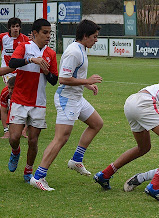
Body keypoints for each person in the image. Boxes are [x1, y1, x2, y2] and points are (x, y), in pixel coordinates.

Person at [30, 20, 103, 191]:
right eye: (94, 37)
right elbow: (62, 79)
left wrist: (87, 85)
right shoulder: (73, 52)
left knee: (96, 123)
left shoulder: (82, 49)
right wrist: (87, 80)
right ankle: (38, 176)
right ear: (85, 36)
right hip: (67, 100)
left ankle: (76, 160)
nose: (96, 40)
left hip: (77, 98)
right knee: (61, 138)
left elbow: (74, 75)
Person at [7, 18, 58, 184]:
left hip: (38, 102)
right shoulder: (24, 47)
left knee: (33, 139)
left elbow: (53, 80)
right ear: (35, 33)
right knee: (14, 137)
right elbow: (13, 63)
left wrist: (46, 72)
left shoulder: (50, 53)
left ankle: (28, 170)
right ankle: (15, 151)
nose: (48, 36)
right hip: (20, 99)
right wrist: (31, 60)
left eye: (49, 32)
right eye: (45, 32)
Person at [0, 17, 30, 84]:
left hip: (20, 70)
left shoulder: (25, 39)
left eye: (17, 26)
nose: (15, 28)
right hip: (7, 70)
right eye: (13, 26)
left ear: (20, 28)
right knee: (11, 88)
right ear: (9, 28)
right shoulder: (3, 37)